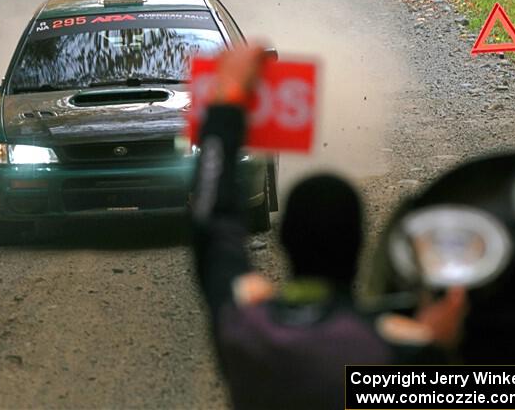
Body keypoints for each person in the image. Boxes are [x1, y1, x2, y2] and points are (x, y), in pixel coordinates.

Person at [191, 46, 466, 410]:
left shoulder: (247, 331)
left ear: (282, 240)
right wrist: (440, 344)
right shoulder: (392, 354)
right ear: (360, 244)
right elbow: (506, 391)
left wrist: (227, 99)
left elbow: (213, 225)